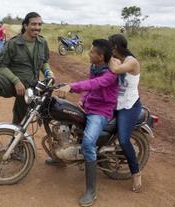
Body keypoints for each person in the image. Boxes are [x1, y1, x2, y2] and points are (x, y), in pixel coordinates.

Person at [54, 39, 118, 207]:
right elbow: (90, 87)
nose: (88, 54)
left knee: (89, 143)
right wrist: (82, 99)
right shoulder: (94, 67)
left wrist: (71, 87)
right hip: (89, 106)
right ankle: (59, 157)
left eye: (91, 52)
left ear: (100, 56)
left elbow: (93, 83)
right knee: (63, 121)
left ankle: (91, 190)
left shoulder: (111, 73)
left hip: (101, 112)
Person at [0, 12, 55, 133]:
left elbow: (44, 61)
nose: (37, 27)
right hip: (12, 84)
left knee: (20, 122)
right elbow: (2, 66)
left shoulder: (42, 43)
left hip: (30, 89)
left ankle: (16, 147)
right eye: (34, 24)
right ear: (25, 26)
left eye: (39, 24)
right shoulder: (13, 43)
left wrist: (48, 72)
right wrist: (16, 81)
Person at [108, 34, 142, 193]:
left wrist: (107, 57)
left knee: (123, 139)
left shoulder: (131, 62)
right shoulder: (117, 59)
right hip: (115, 103)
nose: (108, 49)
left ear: (115, 47)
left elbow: (115, 69)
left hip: (129, 106)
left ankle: (135, 172)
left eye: (109, 46)